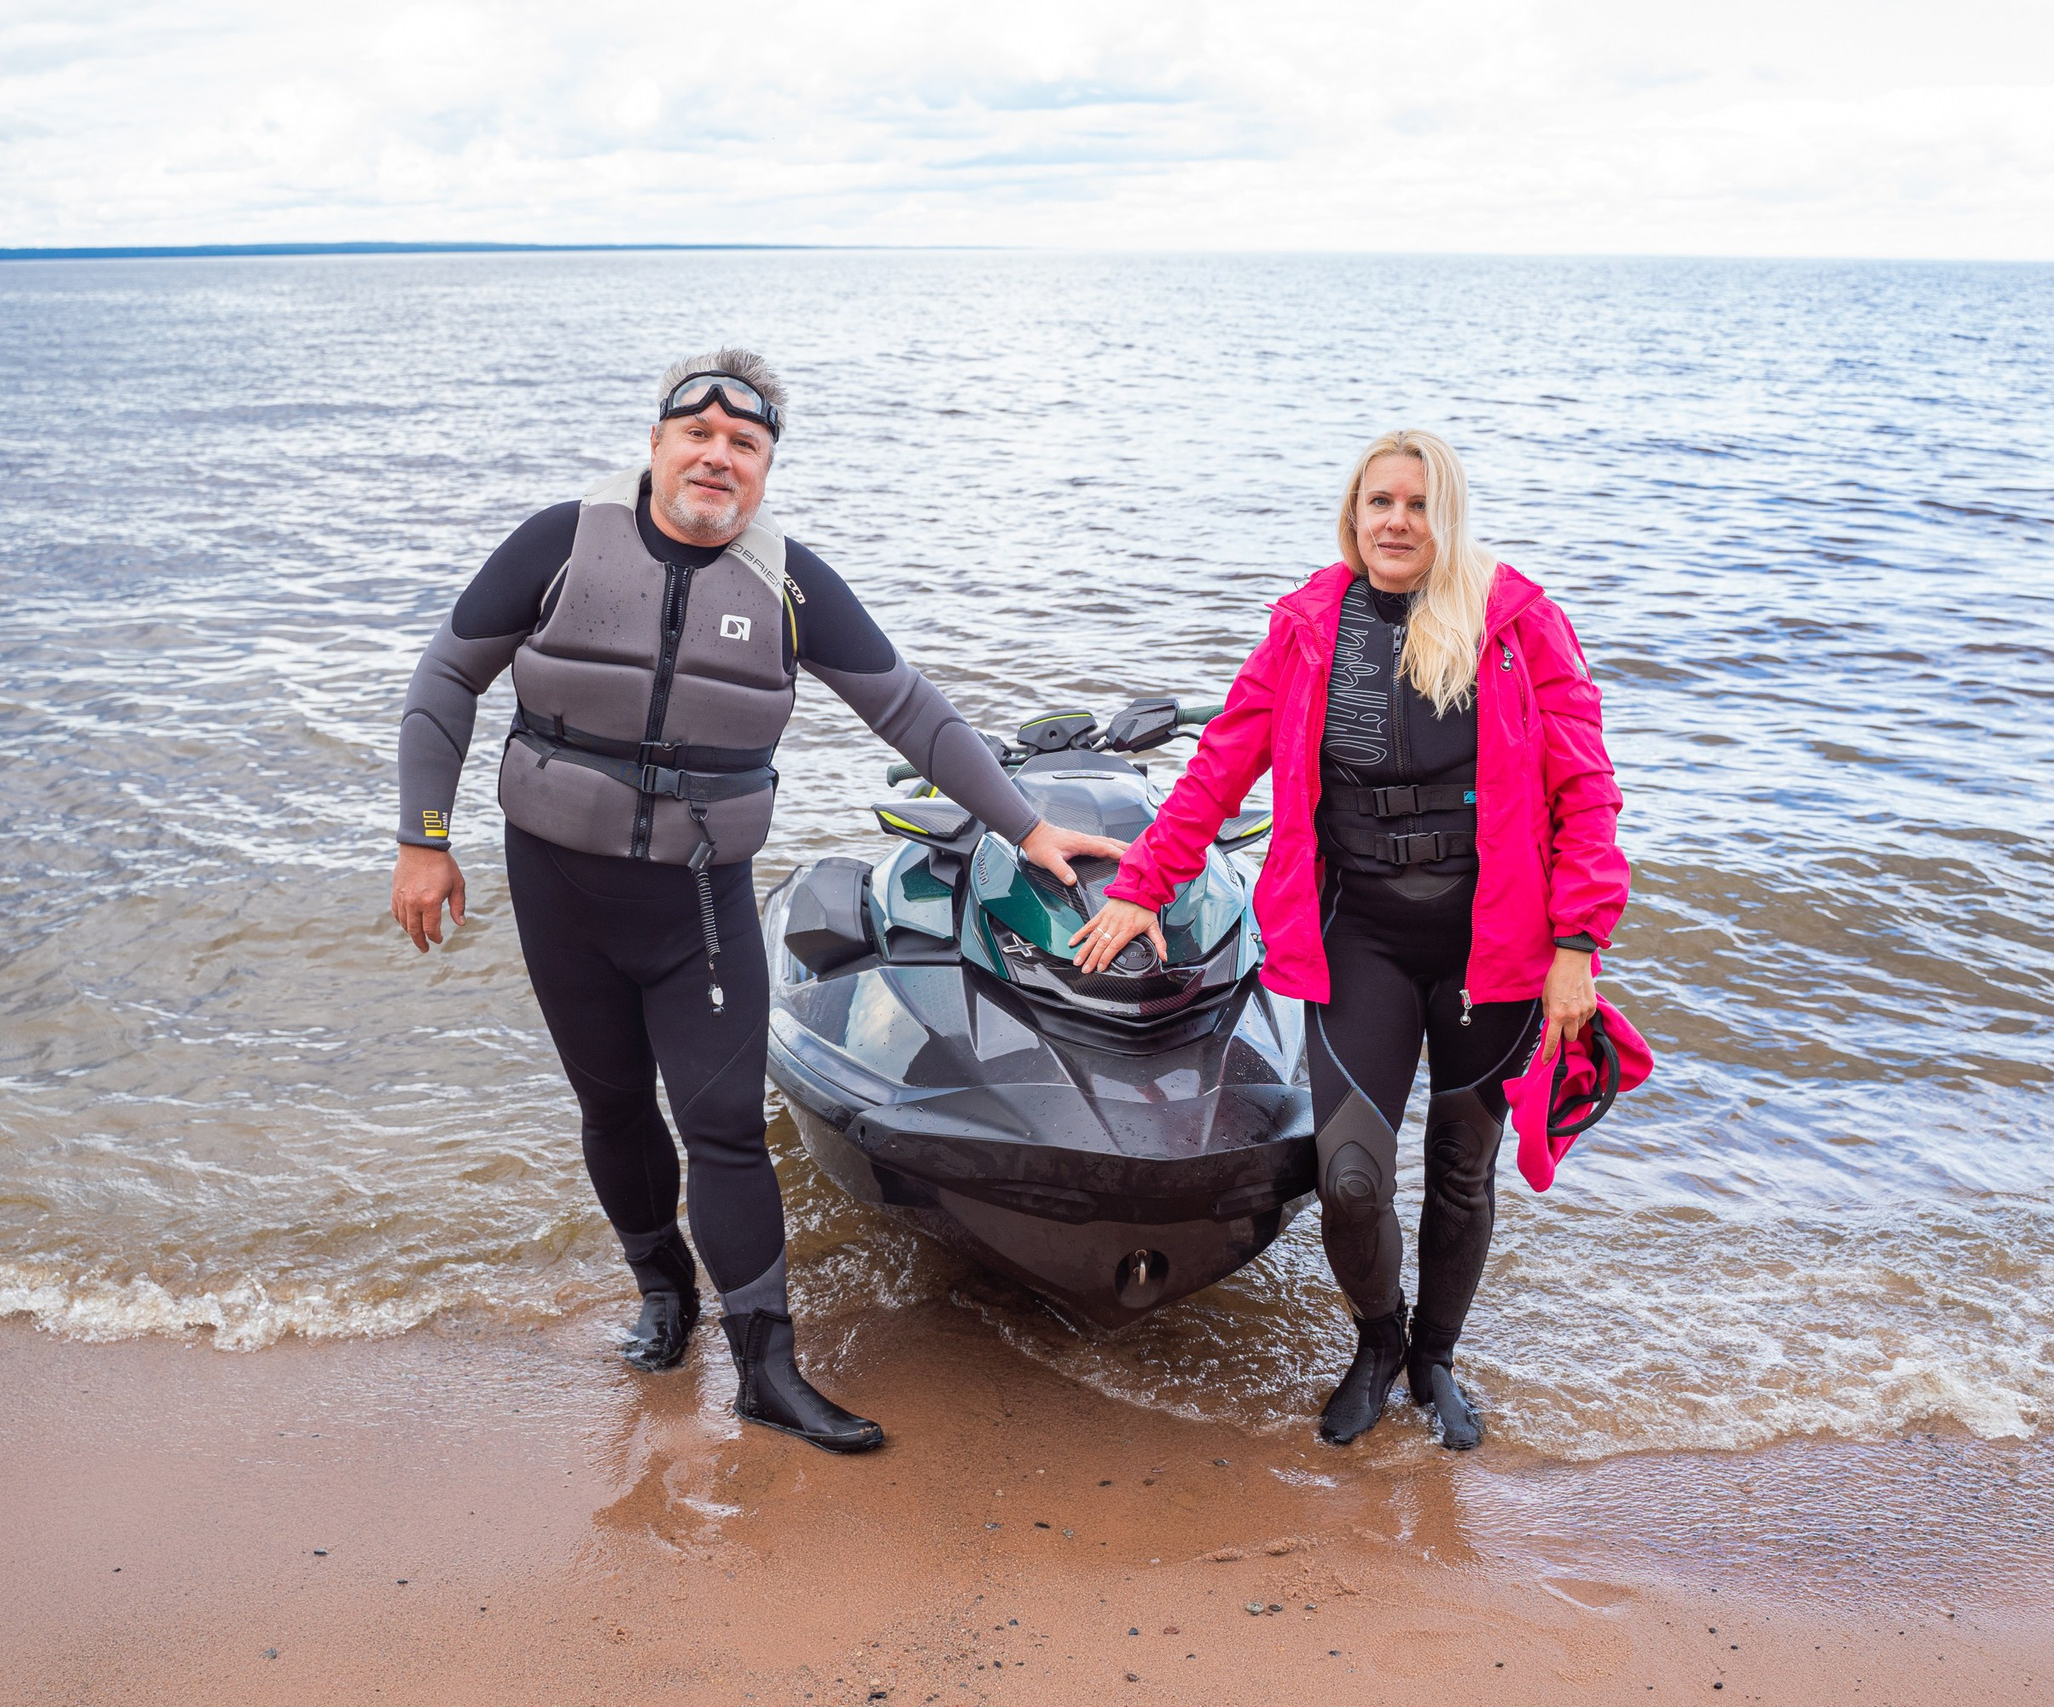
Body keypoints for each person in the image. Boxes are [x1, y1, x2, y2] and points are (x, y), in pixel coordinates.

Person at [387, 350, 1122, 1452]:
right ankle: (661, 1295)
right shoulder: (560, 543)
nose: (718, 457)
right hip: (560, 889)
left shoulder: (790, 584)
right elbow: (446, 679)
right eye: (700, 435)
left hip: (697, 906)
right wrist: (423, 840)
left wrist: (1024, 824)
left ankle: (766, 1368)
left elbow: (911, 714)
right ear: (656, 443)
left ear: (765, 470)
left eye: (745, 445)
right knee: (614, 1108)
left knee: (724, 1127)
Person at [1069, 429, 1628, 1451]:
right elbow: (1222, 763)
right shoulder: (1307, 623)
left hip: (1491, 946)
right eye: (1379, 502)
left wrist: (1575, 947)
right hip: (1358, 933)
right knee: (1352, 1177)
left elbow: (1584, 790)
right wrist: (1144, 885)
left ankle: (1436, 1359)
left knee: (1462, 1170)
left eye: (1417, 504)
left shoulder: (1518, 622)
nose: (1396, 521)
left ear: (1443, 517)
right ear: (1353, 514)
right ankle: (1377, 1342)